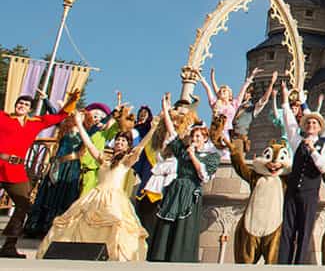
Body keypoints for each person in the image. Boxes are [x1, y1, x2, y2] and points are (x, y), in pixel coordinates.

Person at [37, 111, 160, 261]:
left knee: (115, 223)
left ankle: (112, 254)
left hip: (114, 197)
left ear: (128, 145)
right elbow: (89, 144)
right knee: (77, 220)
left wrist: (152, 129)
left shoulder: (126, 161)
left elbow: (140, 147)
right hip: (95, 195)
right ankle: (77, 251)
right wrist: (80, 125)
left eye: (123, 141)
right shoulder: (104, 159)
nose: (119, 143)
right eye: (118, 141)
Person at [0, 90, 79, 257]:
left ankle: (8, 246)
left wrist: (72, 100)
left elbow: (59, 116)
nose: (22, 106)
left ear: (30, 109)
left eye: (26, 104)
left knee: (24, 204)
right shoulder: (4, 118)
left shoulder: (35, 123)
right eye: (20, 103)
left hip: (15, 170)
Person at [147, 94, 220, 262]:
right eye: (193, 136)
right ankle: (161, 256)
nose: (194, 139)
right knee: (167, 222)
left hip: (190, 190)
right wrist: (166, 109)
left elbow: (204, 176)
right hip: (176, 189)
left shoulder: (211, 157)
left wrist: (193, 156)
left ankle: (179, 259)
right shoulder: (182, 150)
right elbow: (172, 132)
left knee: (184, 227)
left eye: (198, 137)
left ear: (205, 139)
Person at [277, 83, 325, 265]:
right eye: (308, 122)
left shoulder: (324, 146)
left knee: (304, 231)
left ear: (319, 128)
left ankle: (299, 265)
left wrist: (313, 151)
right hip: (293, 191)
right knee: (287, 230)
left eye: (314, 123)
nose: (310, 125)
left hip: (309, 193)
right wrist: (285, 99)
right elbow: (289, 123)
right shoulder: (297, 141)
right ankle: (283, 264)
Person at [23, 112, 85, 238]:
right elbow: (54, 115)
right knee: (48, 193)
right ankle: (36, 227)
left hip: (70, 167)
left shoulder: (86, 132)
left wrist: (113, 113)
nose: (79, 116)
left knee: (64, 195)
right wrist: (46, 99)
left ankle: (54, 229)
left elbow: (104, 125)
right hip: (58, 164)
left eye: (82, 115)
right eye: (78, 114)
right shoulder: (64, 127)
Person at [198, 66, 258, 150]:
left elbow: (243, 89)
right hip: (216, 132)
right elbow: (208, 89)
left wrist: (252, 76)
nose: (221, 92)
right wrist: (202, 78)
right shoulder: (215, 103)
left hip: (228, 133)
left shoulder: (234, 104)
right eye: (220, 91)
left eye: (224, 91)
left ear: (229, 95)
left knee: (226, 154)